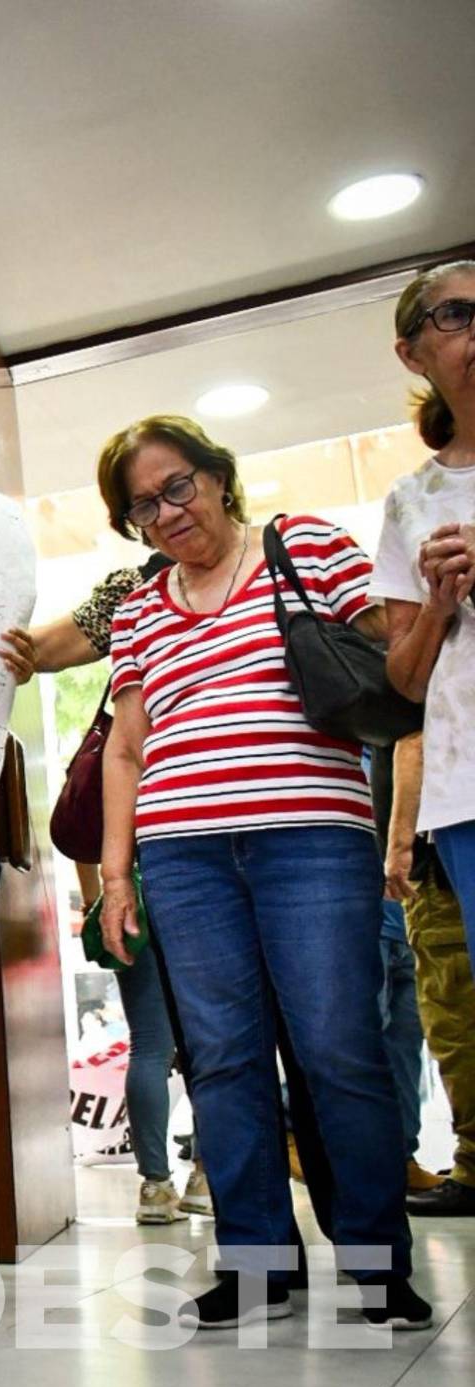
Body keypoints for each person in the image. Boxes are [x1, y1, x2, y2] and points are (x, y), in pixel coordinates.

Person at [96, 414, 427, 1332]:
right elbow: (128, 750)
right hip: (181, 857)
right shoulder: (137, 608)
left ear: (217, 477)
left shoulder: (305, 546)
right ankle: (256, 1264)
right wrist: (116, 877)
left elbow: (396, 668)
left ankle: (374, 1263)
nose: (166, 513)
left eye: (177, 487)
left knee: (339, 1051)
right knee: (223, 1060)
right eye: (141, 507)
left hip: (312, 842)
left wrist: (437, 606)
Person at [14, 558, 209, 1224]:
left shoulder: (130, 606)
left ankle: (155, 1184)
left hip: (136, 875)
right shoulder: (196, 612)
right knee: (220, 1037)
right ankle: (211, 1174)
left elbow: (40, 652)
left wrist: (105, 890)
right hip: (206, 856)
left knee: (151, 1043)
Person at [374, 258, 475, 1216]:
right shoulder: (411, 503)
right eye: (457, 315)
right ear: (415, 351)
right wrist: (441, 605)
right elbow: (402, 682)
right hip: (466, 791)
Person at [385, 732, 475, 1214]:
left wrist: (399, 843)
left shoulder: (431, 663)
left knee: (454, 1018)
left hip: (445, 863)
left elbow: (413, 742)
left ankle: (474, 1168)